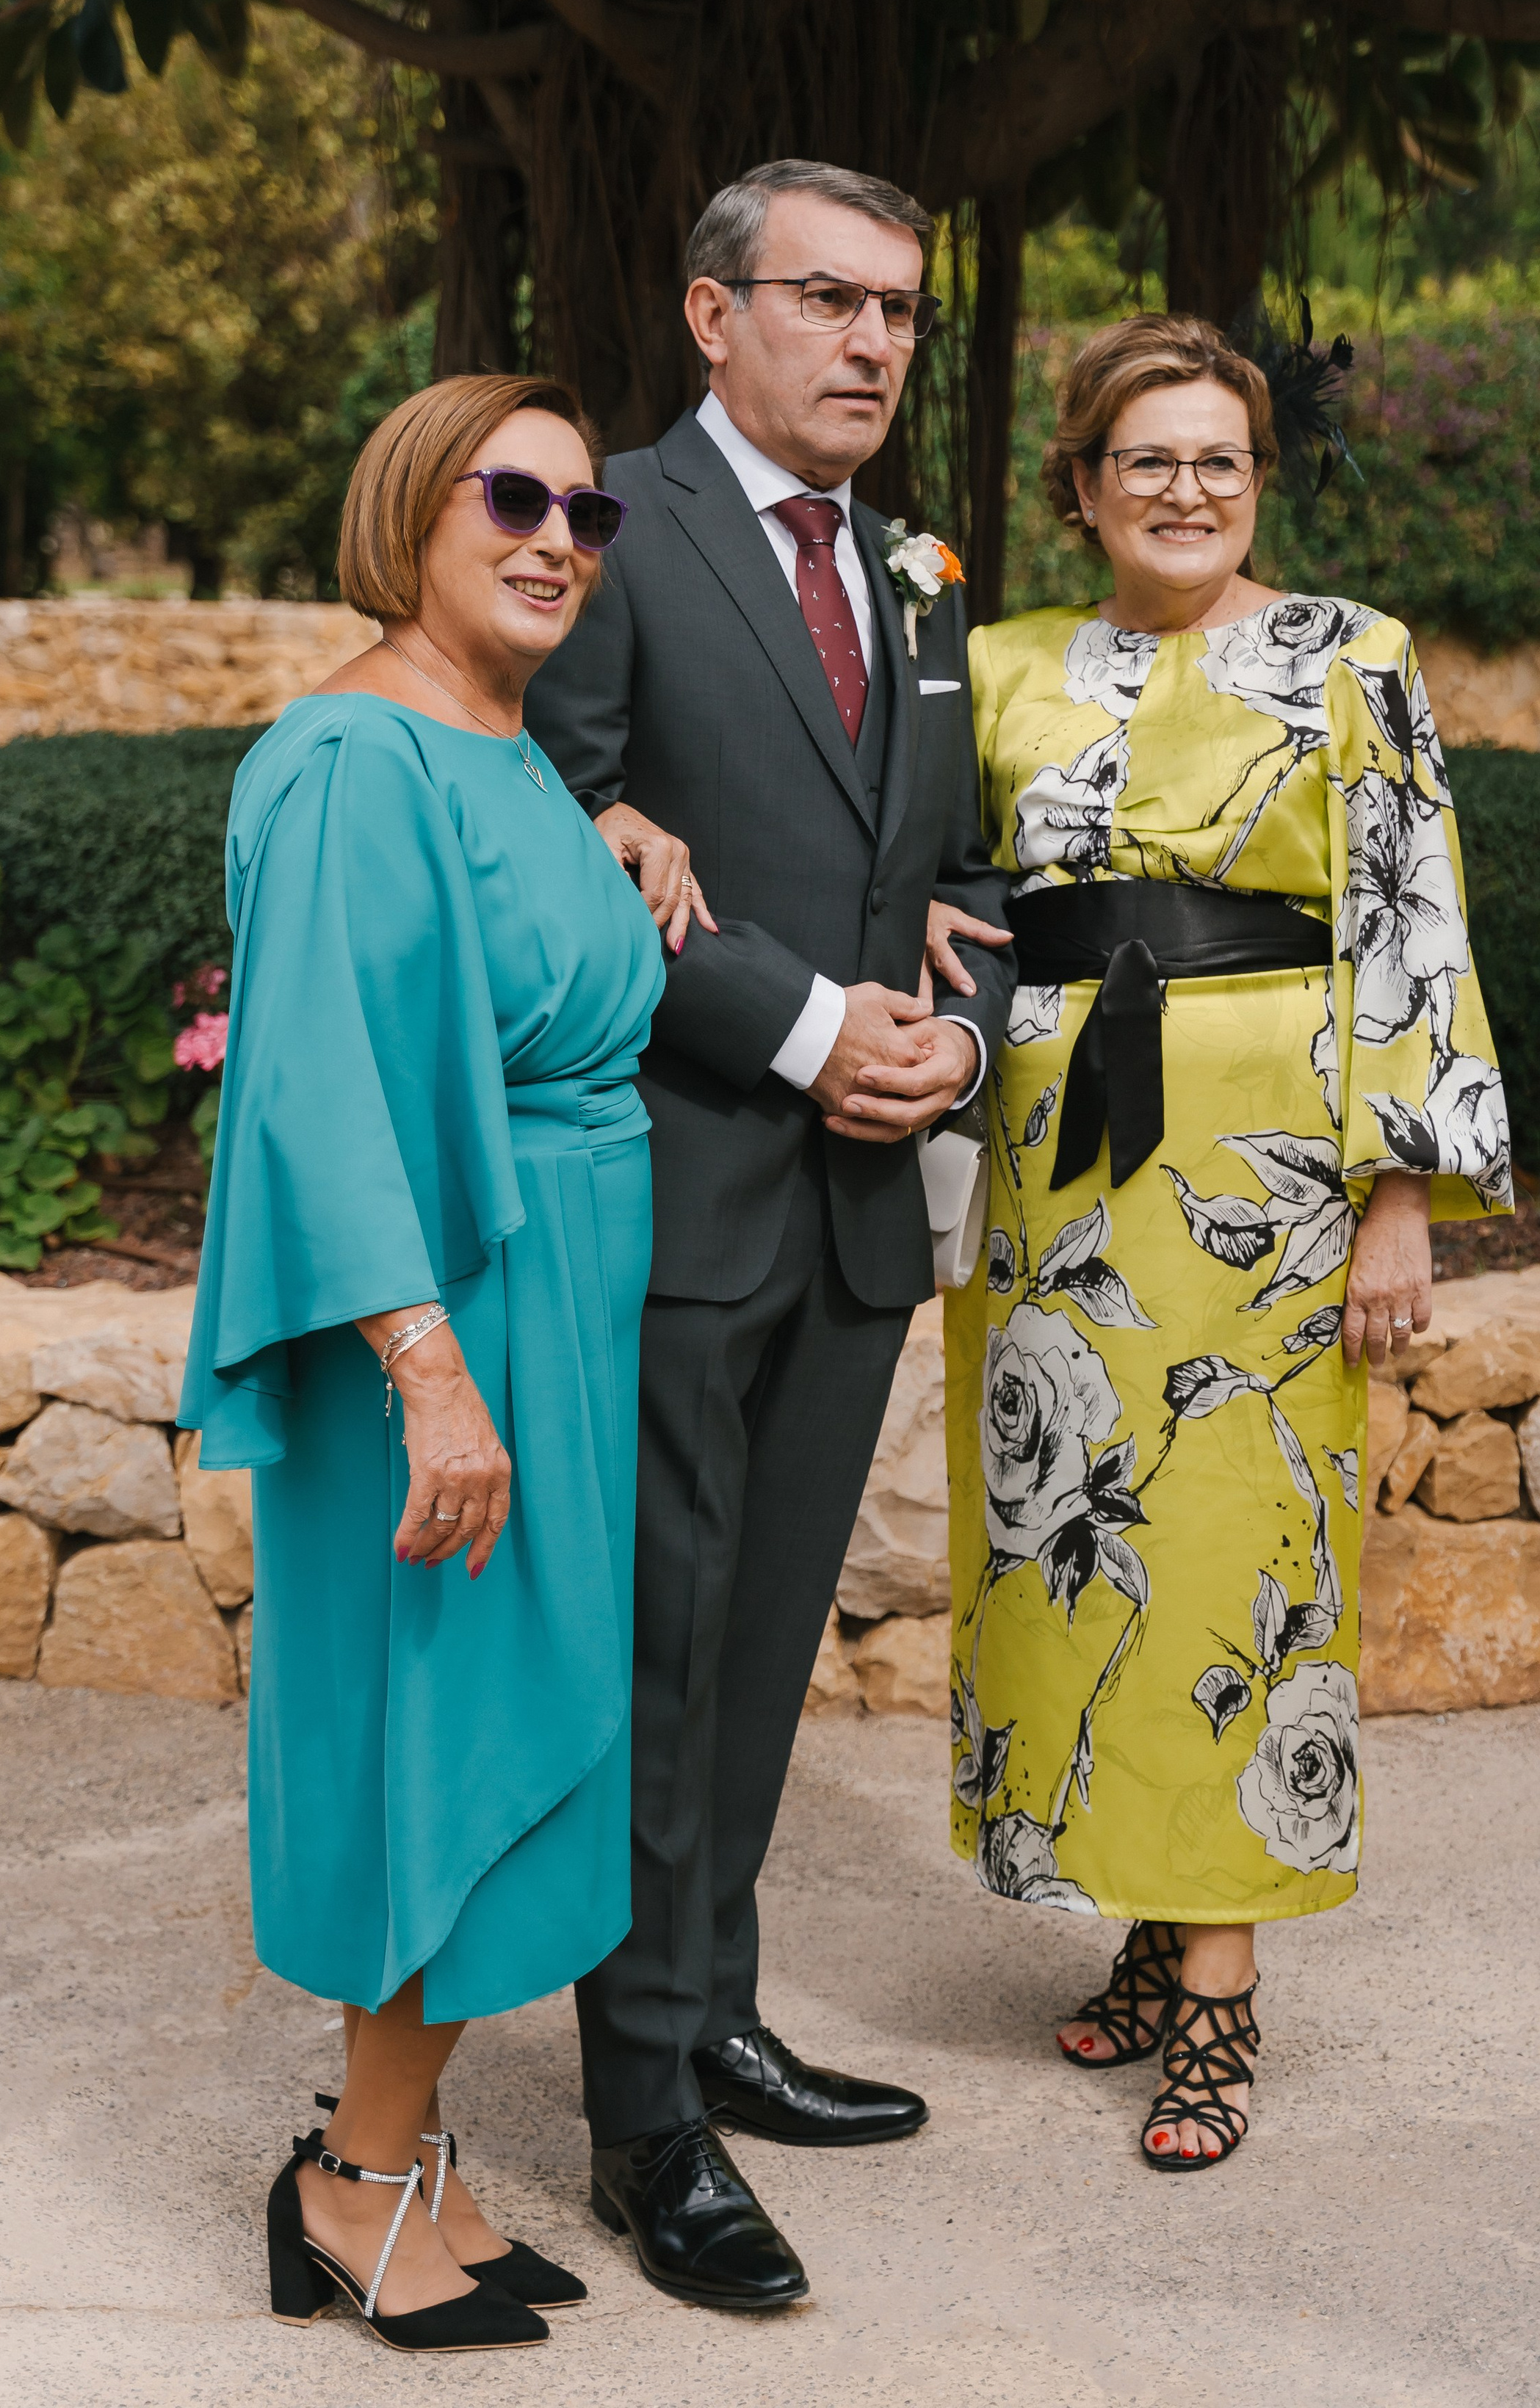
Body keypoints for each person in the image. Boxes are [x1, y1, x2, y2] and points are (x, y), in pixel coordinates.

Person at [940, 313, 1513, 2171]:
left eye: (1219, 460)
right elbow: (932, 899)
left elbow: (1408, 911)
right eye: (1146, 459)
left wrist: (1399, 1197)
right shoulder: (1005, 665)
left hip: (1262, 1176)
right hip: (1052, 1174)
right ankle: (1138, 1892)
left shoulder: (1351, 657)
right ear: (1083, 484)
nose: (1183, 490)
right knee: (1077, 1549)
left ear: (1256, 481)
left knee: (1232, 1543)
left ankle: (1217, 1999)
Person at [524, 159, 1015, 2310]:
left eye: (902, 311)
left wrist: (950, 1044)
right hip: (681, 1186)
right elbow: (560, 835)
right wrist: (811, 1029)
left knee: (762, 1660)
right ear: (714, 315)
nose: (877, 344)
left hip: (853, 1210)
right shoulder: (606, 530)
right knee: (657, 1653)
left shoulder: (915, 574)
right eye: (830, 301)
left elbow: (957, 868)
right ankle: (642, 2123)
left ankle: (715, 2011)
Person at [178, 374, 672, 2348]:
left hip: (559, 1300)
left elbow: (510, 954)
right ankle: (352, 2180)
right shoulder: (344, 756)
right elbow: (309, 1087)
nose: (558, 534)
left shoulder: (507, 746)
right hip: (449, 1318)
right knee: (438, 1738)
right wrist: (427, 1371)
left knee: (519, 1730)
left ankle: (405, 2151)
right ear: (414, 506)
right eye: (514, 495)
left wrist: (622, 849)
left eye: (589, 512)